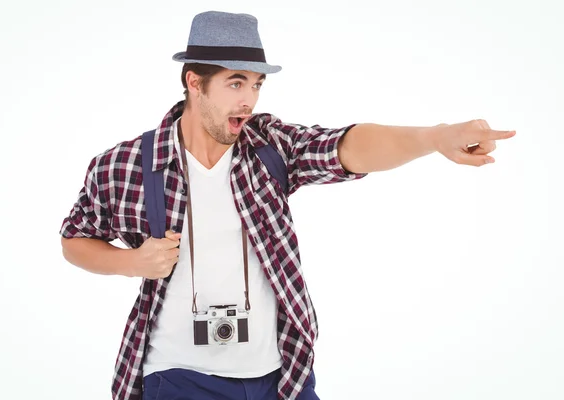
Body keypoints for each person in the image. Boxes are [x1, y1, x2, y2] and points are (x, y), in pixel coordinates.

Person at [59, 10, 516, 400]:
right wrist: (131, 261)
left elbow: (346, 146)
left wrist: (433, 138)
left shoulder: (268, 146)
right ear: (193, 82)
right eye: (235, 83)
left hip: (281, 375)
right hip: (178, 375)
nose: (249, 100)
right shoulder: (126, 165)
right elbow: (75, 239)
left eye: (256, 84)